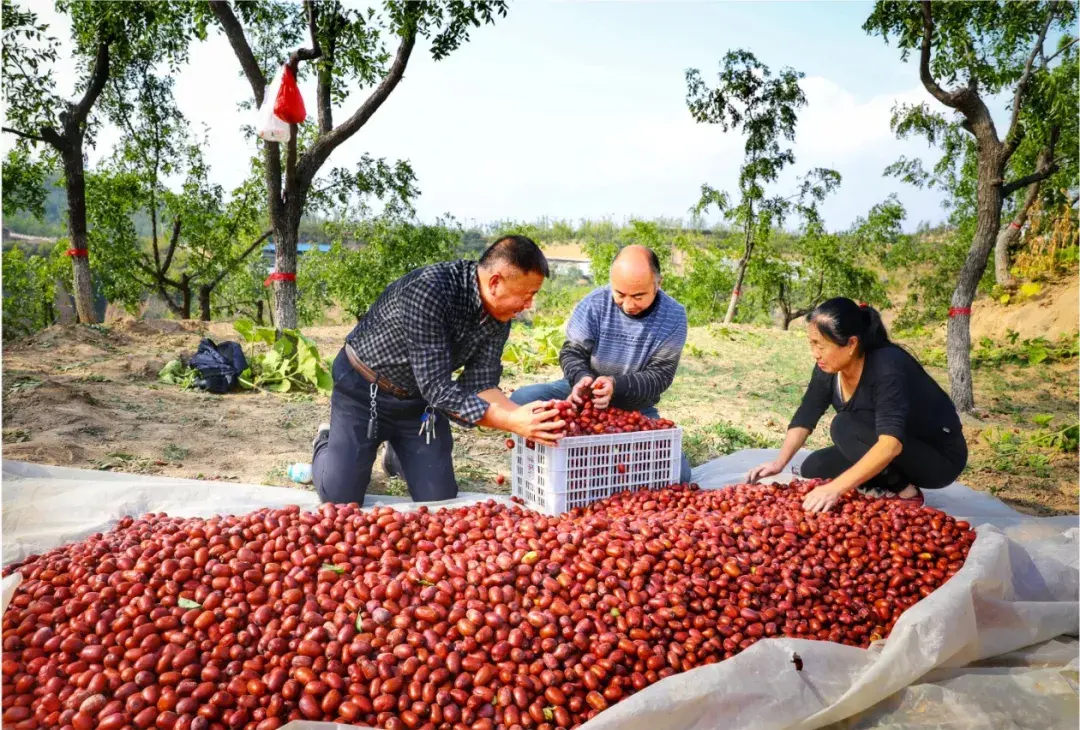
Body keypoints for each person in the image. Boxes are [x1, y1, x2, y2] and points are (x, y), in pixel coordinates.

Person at [312, 236, 566, 505]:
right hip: (364, 390)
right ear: (495, 283)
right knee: (340, 498)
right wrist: (511, 421)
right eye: (527, 295)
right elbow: (437, 388)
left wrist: (521, 417)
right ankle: (326, 440)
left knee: (439, 498)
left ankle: (398, 454)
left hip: (418, 405)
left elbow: (482, 383)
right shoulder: (429, 290)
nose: (528, 305)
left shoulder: (500, 315)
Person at [746, 297, 967, 513]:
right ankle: (883, 483)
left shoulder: (887, 365)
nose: (815, 354)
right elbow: (807, 412)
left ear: (851, 343)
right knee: (814, 468)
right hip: (889, 447)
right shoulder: (827, 367)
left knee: (844, 426)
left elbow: (891, 444)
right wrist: (779, 462)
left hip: (935, 457)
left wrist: (834, 489)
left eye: (821, 346)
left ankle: (906, 492)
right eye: (811, 344)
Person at [510, 244, 692, 483]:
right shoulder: (594, 303)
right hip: (581, 395)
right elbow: (572, 351)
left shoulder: (674, 316)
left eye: (638, 296)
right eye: (620, 294)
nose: (628, 304)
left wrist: (616, 386)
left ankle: (609, 463)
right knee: (520, 400)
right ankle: (548, 464)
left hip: (635, 406)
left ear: (658, 283)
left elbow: (659, 377)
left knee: (680, 474)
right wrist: (581, 379)